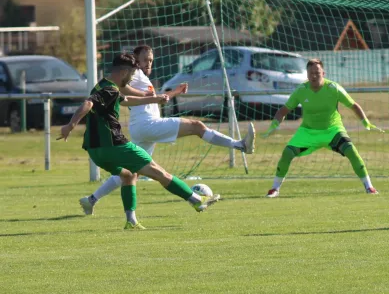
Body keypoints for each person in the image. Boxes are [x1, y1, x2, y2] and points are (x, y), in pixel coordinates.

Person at [79, 45, 255, 215]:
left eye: (151, 60)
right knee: (196, 126)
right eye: (145, 60)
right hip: (149, 125)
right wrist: (146, 95)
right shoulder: (134, 74)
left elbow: (157, 99)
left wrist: (174, 93)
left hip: (143, 129)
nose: (149, 64)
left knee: (131, 172)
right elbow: (122, 88)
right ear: (135, 61)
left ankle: (91, 199)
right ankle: (240, 145)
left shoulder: (141, 78)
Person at [58, 53, 221, 230]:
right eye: (132, 74)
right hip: (115, 146)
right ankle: (196, 200)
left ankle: (131, 221)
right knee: (159, 172)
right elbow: (88, 104)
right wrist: (70, 124)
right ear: (124, 71)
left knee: (128, 175)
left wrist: (155, 98)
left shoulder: (103, 85)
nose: (132, 79)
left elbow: (126, 100)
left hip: (95, 151)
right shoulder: (109, 89)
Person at [262, 58, 383, 198]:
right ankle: (274, 189)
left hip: (332, 131)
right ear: (307, 75)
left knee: (351, 151)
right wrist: (274, 125)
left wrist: (365, 122)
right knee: (287, 154)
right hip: (307, 132)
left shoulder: (333, 88)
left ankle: (369, 187)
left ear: (323, 73)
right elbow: (283, 110)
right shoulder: (301, 90)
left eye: (317, 72)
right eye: (311, 73)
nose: (314, 76)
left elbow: (353, 105)